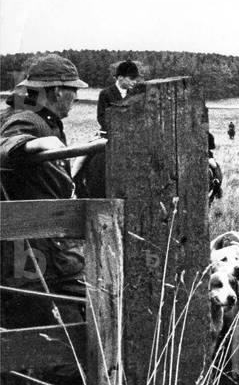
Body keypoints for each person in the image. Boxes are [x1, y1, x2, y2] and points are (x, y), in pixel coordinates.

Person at [0, 54, 89, 326]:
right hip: (33, 244)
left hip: (40, 241)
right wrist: (28, 144)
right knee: (38, 318)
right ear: (58, 91)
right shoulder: (27, 117)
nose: (75, 98)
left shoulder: (41, 116)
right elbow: (8, 141)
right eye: (73, 91)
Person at [96, 59, 141, 136]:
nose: (134, 82)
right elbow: (101, 117)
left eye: (135, 79)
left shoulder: (135, 94)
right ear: (120, 77)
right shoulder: (105, 93)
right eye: (131, 79)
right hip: (110, 135)